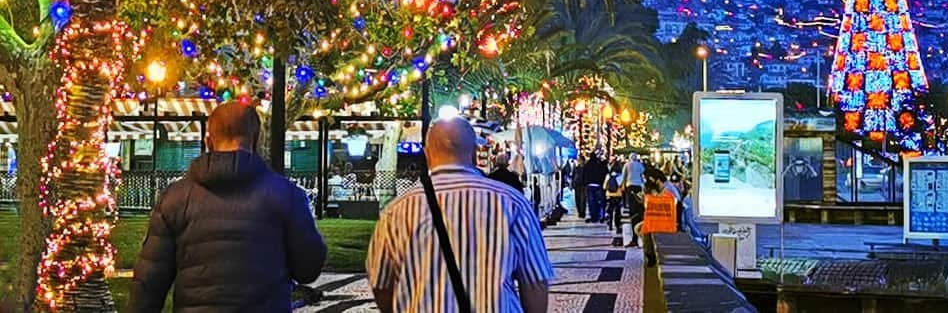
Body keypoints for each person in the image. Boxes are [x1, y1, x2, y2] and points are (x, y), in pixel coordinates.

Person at [129, 101, 327, 312]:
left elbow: (149, 283)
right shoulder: (288, 195)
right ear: (256, 140)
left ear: (208, 141)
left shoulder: (175, 197)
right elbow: (308, 269)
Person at [367, 116, 553, 313]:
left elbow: (381, 283)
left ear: (427, 155)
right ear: (474, 154)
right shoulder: (511, 203)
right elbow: (534, 281)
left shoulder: (396, 211)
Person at [582, 152, 609, 223]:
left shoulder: (587, 165)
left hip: (589, 185)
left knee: (591, 202)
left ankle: (593, 217)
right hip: (598, 185)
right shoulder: (599, 164)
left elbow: (584, 175)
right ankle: (599, 216)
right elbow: (604, 174)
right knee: (599, 201)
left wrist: (584, 183)